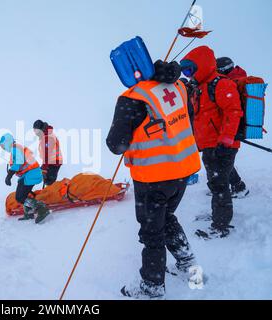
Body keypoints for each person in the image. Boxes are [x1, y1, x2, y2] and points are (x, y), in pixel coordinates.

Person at [106, 60, 201, 299]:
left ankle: (152, 286)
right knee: (166, 217)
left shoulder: (132, 98)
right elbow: (186, 118)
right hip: (182, 170)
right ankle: (188, 265)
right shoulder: (177, 86)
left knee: (152, 232)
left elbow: (115, 145)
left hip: (154, 176)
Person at [180, 46, 244, 239]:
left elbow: (234, 112)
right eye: (185, 71)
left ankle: (221, 225)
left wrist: (225, 140)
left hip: (222, 145)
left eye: (190, 69)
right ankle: (219, 215)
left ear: (202, 66)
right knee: (214, 181)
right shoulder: (200, 87)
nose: (188, 75)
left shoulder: (220, 84)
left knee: (219, 184)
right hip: (209, 145)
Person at [216, 57, 249, 198]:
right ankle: (228, 186)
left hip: (231, 130)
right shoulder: (236, 81)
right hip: (231, 129)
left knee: (223, 161)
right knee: (222, 161)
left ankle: (239, 188)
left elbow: (233, 111)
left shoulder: (231, 83)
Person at [0, 133, 50, 223]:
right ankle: (29, 212)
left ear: (7, 142)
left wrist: (9, 175)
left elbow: (19, 162)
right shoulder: (15, 149)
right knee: (22, 195)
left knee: (20, 197)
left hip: (31, 174)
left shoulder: (15, 148)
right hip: (28, 175)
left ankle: (41, 208)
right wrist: (12, 172)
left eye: (2, 145)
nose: (2, 148)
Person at [33, 120, 63, 186]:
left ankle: (52, 194)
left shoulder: (48, 137)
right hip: (51, 161)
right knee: (37, 174)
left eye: (36, 130)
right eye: (34, 130)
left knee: (49, 181)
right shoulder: (46, 135)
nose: (35, 133)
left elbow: (47, 154)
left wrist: (44, 168)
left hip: (53, 162)